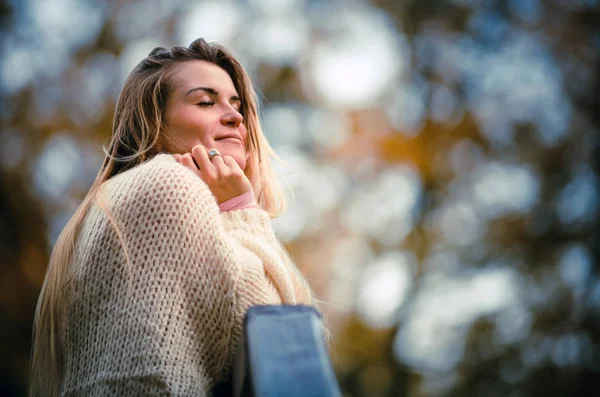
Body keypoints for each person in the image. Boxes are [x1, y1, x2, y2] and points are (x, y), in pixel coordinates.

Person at [29, 38, 315, 396]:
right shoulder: (167, 184)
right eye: (205, 101)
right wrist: (242, 210)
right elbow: (275, 339)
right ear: (156, 123)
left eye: (236, 104)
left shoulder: (117, 199)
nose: (235, 116)